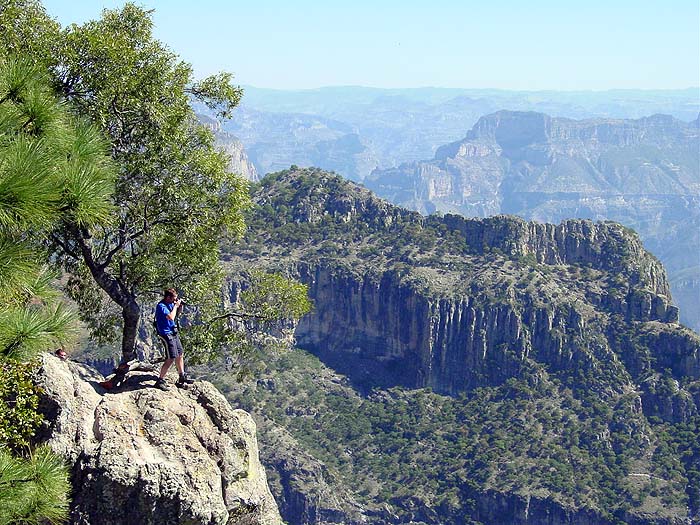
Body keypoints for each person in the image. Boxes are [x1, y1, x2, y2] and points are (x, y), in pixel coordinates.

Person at [153, 288, 195, 390]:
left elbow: (177, 314)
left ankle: (182, 376)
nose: (174, 300)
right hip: (166, 334)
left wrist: (179, 307)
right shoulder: (161, 306)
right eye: (174, 298)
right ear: (168, 297)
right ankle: (160, 381)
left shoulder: (171, 304)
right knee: (170, 358)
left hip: (173, 332)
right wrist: (175, 306)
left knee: (180, 354)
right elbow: (171, 317)